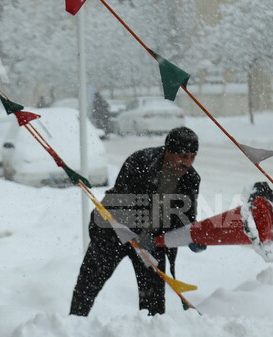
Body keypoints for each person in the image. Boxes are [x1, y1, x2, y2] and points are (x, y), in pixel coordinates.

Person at [69, 126, 203, 317]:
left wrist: (192, 235)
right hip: (113, 232)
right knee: (88, 285)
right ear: (168, 151)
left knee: (154, 302)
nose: (187, 163)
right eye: (182, 156)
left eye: (192, 157)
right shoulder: (140, 161)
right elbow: (121, 205)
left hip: (152, 242)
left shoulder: (191, 178)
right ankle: (72, 325)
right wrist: (142, 232)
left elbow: (185, 217)